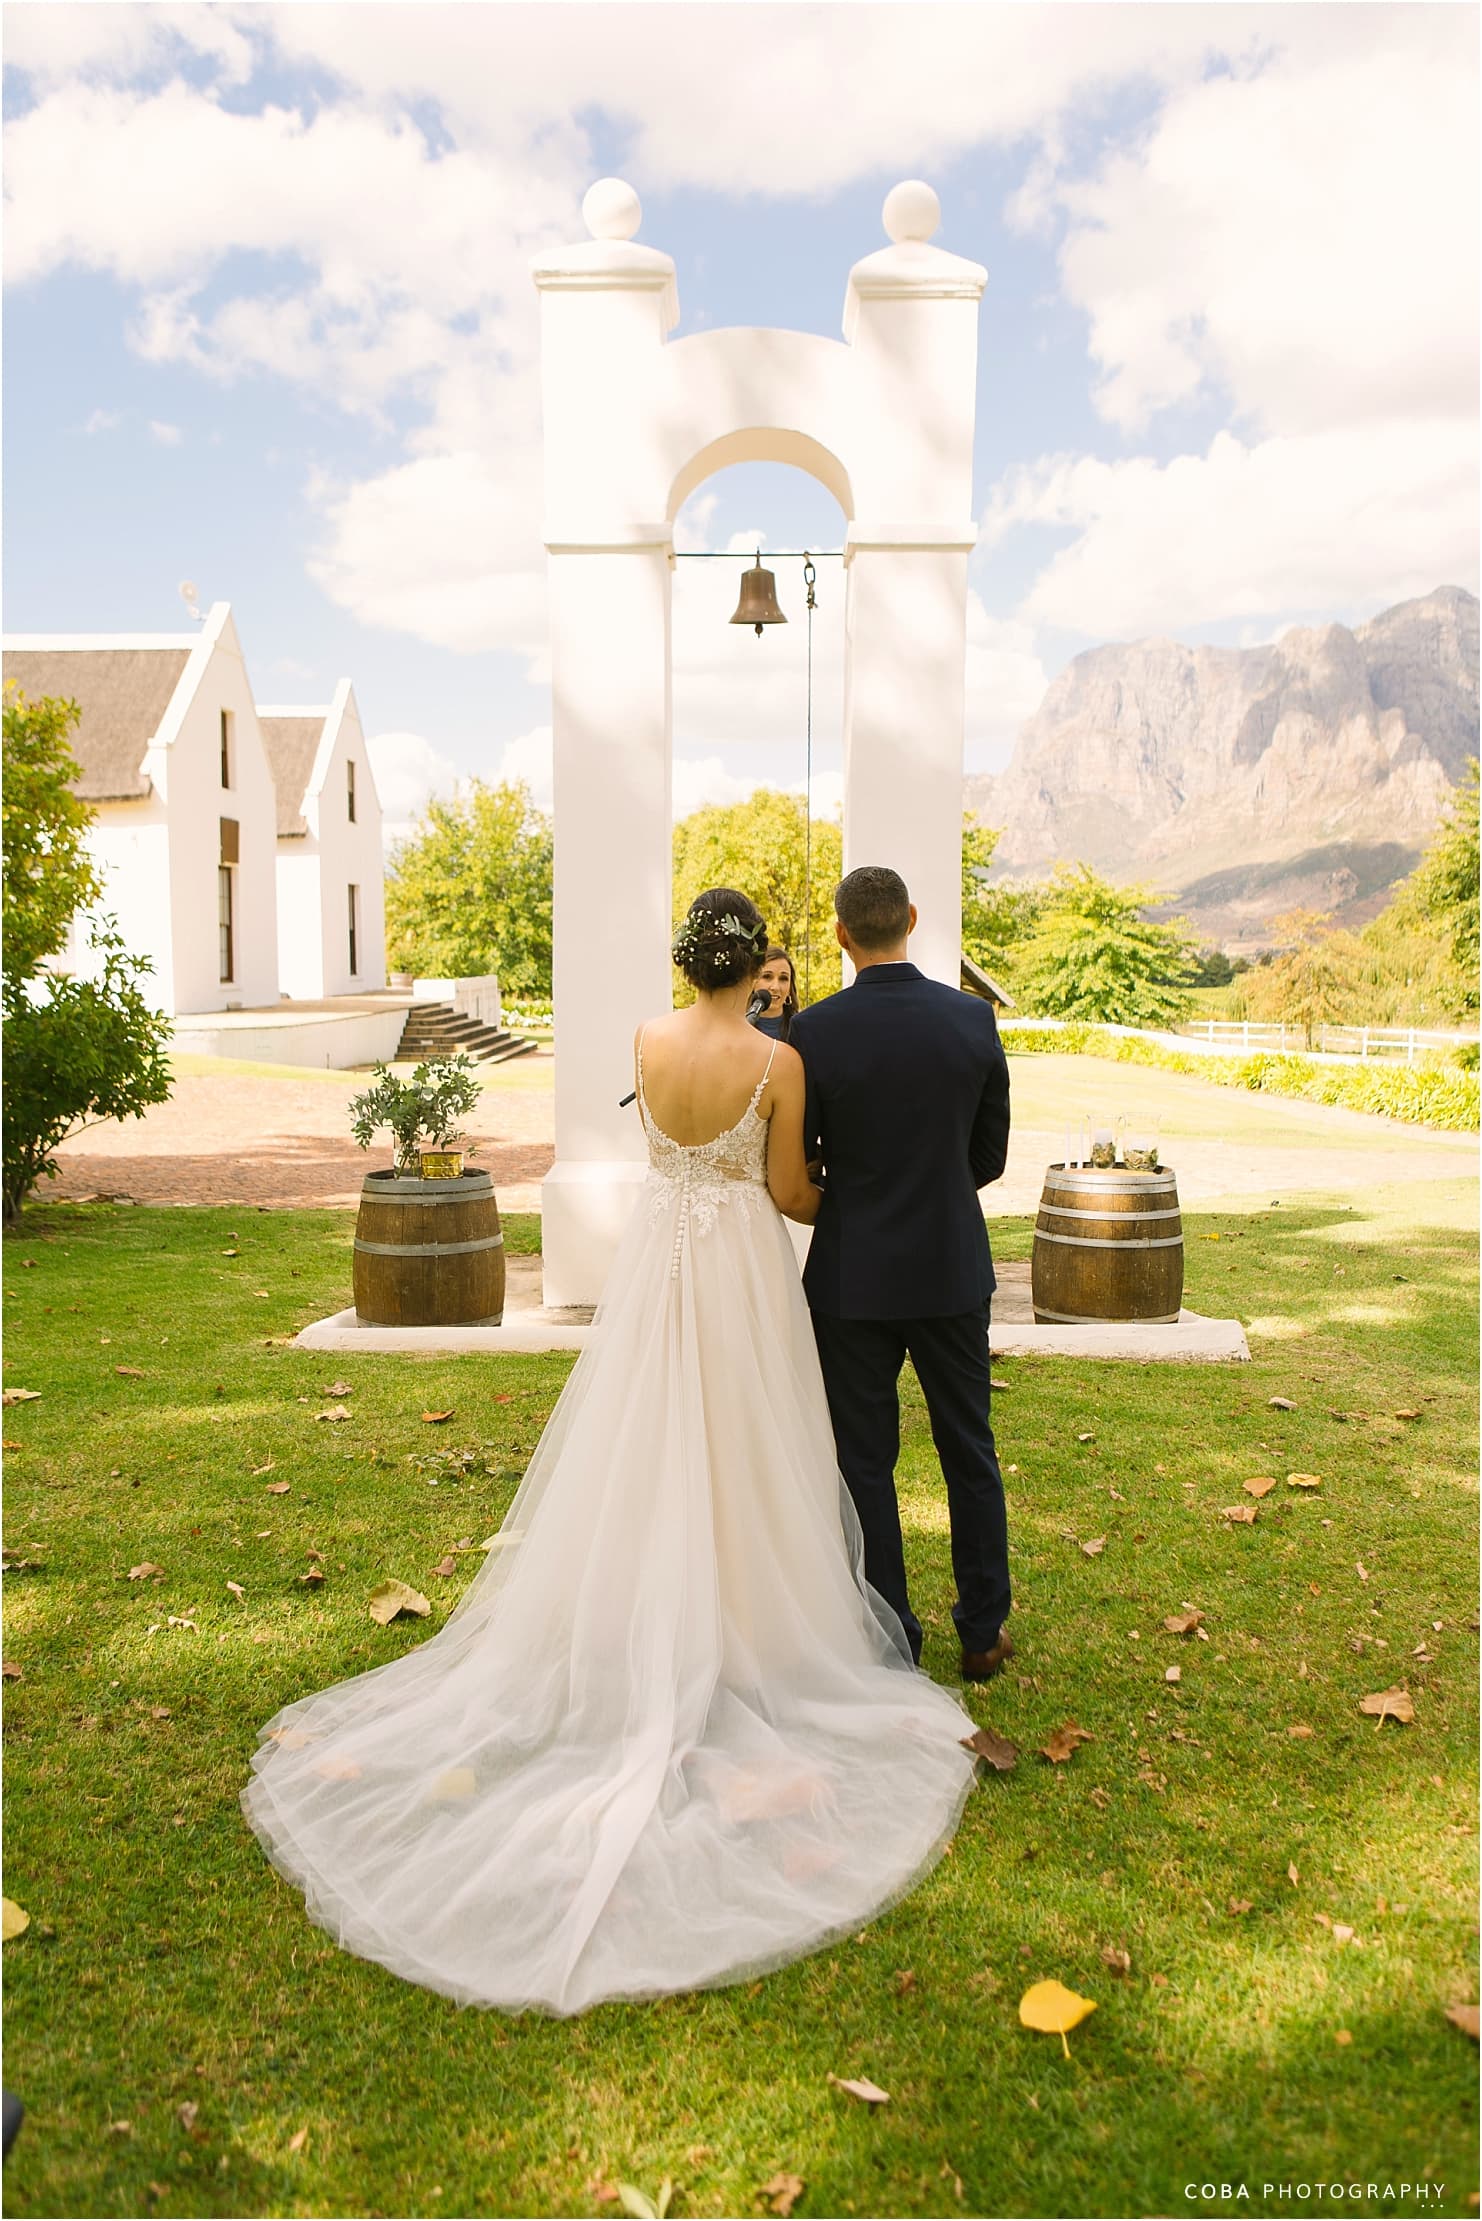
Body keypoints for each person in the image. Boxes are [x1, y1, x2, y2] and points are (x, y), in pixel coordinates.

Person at [242, 885, 980, 2017]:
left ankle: (642, 1611)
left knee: (647, 1435)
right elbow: (788, 1191)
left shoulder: (646, 1037)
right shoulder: (775, 1063)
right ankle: (752, 1626)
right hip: (736, 1266)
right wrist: (849, 1192)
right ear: (756, 965)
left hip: (657, 1265)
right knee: (749, 1445)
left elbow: (669, 1148)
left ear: (688, 960)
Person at [788, 866, 1013, 1681]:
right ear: (911, 920)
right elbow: (987, 1157)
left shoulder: (813, 1032)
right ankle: (984, 1630)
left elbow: (805, 1156)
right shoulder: (971, 1021)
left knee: (864, 1460)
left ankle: (892, 1634)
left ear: (842, 935)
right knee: (969, 1449)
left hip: (852, 1276)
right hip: (951, 1267)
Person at [753, 945, 799, 1040]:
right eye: (767, 976)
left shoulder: (802, 1030)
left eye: (783, 978)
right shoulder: (733, 1027)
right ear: (752, 981)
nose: (775, 987)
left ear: (790, 988)